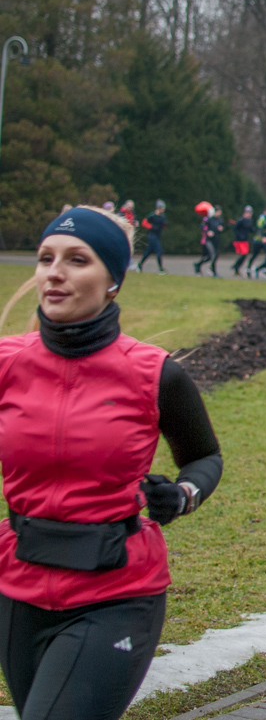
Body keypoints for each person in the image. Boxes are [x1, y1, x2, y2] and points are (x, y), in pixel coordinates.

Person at [0, 206, 223, 720]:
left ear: (113, 282)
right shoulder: (9, 364)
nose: (54, 272)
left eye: (77, 260)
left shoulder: (155, 374)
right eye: (45, 258)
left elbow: (205, 456)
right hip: (19, 584)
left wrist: (183, 495)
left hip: (115, 590)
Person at [135, 200, 168, 274]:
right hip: (152, 235)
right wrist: (151, 227)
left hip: (157, 235)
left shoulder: (162, 216)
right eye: (162, 208)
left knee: (149, 252)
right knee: (159, 251)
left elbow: (164, 225)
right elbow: (144, 222)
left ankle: (139, 264)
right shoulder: (152, 215)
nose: (163, 209)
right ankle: (161, 269)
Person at [194, 206, 224, 277]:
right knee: (213, 255)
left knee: (213, 256)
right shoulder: (210, 219)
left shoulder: (220, 220)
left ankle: (198, 264)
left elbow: (222, 228)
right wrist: (208, 232)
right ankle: (213, 271)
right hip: (209, 240)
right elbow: (202, 227)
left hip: (216, 240)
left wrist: (221, 229)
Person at [231, 206, 255, 276]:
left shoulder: (250, 220)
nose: (249, 214)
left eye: (250, 213)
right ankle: (235, 266)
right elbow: (235, 229)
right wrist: (240, 235)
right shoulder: (241, 220)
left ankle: (236, 267)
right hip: (239, 240)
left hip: (245, 240)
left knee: (244, 255)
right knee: (243, 254)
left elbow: (249, 229)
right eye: (248, 213)